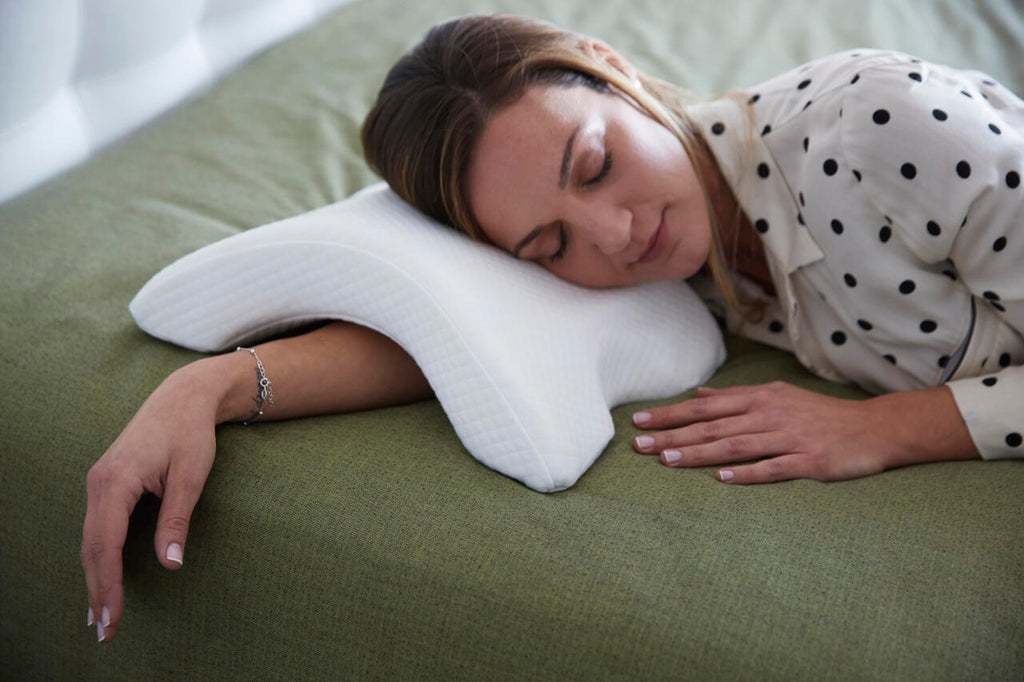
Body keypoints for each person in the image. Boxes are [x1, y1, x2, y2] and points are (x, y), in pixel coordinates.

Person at [81, 13, 1023, 643]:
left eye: (595, 162)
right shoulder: (668, 266)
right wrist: (206, 386)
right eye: (549, 243)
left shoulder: (877, 130)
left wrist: (885, 428)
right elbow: (437, 334)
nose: (614, 235)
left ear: (611, 70)